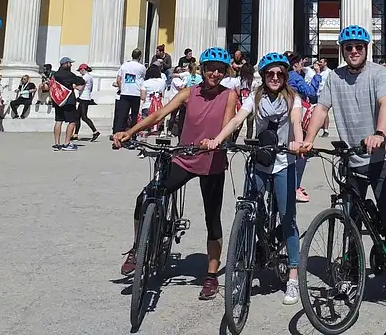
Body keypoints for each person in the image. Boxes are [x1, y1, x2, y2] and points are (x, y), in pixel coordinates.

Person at [114, 47, 237, 301]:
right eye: (210, 68)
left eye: (220, 69)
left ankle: (211, 276)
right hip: (184, 157)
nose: (215, 73)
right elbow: (160, 113)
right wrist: (131, 131)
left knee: (212, 219)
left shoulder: (229, 95)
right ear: (201, 70)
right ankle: (138, 248)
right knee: (146, 196)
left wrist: (216, 140)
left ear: (225, 72)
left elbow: (229, 126)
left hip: (212, 161)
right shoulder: (188, 92)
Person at [202, 52, 304, 305]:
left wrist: (298, 142)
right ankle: (251, 254)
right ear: (264, 75)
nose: (275, 77)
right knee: (249, 210)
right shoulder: (255, 95)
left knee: (288, 217)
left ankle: (293, 276)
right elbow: (237, 119)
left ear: (285, 76)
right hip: (259, 160)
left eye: (280, 74)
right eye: (270, 73)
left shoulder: (293, 98)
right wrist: (218, 139)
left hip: (283, 162)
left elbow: (296, 120)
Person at [300, 24, 386, 260]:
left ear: (366, 49)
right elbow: (321, 109)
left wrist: (380, 134)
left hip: (378, 157)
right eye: (348, 47)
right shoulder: (335, 77)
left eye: (359, 47)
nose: (354, 51)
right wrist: (308, 140)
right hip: (351, 158)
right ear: (342, 50)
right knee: (351, 217)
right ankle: (352, 268)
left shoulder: (379, 73)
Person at [287, 52, 322, 203]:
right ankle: (295, 186)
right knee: (300, 153)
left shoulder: (283, 76)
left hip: (284, 115)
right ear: (295, 65)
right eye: (301, 63)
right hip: (297, 113)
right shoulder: (294, 76)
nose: (302, 67)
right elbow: (311, 93)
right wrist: (317, 75)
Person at [52, 57, 85, 151]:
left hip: (58, 100)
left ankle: (57, 143)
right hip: (68, 100)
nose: (71, 65)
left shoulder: (56, 74)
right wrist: (73, 84)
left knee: (58, 121)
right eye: (69, 63)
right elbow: (81, 81)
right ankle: (67, 143)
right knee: (72, 121)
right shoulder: (68, 74)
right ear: (65, 64)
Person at [114, 49, 146, 135]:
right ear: (140, 57)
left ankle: (118, 134)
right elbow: (143, 79)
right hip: (136, 93)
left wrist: (121, 88)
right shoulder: (142, 67)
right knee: (134, 116)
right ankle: (133, 134)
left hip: (125, 93)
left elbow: (118, 79)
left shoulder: (124, 65)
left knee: (122, 115)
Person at [138, 63, 166, 136]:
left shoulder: (145, 83)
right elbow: (163, 94)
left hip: (147, 105)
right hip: (159, 106)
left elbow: (143, 97)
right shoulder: (162, 82)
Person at [76, 63, 100, 142]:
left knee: (84, 117)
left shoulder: (85, 77)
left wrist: (73, 86)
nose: (79, 72)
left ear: (83, 70)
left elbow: (80, 88)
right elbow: (91, 88)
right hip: (85, 97)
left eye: (80, 70)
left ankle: (95, 131)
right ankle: (75, 134)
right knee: (77, 117)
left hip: (84, 98)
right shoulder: (90, 77)